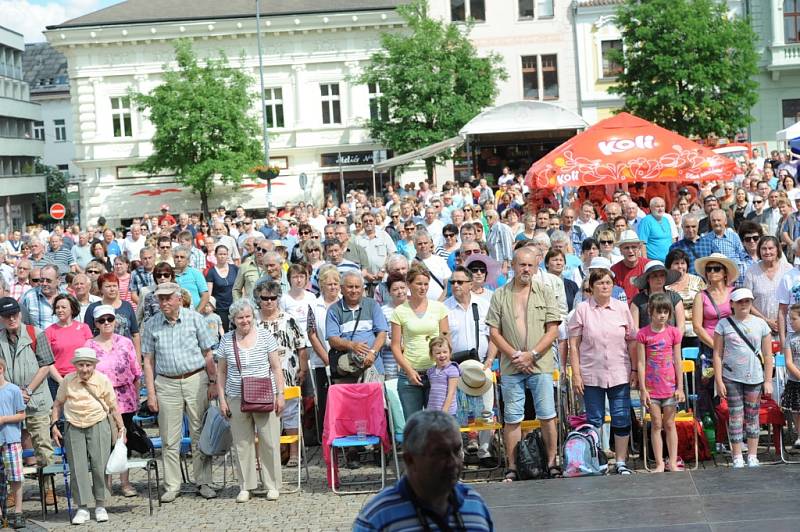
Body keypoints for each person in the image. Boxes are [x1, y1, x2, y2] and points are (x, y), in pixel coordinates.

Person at [486, 247, 560, 481]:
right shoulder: (500, 294)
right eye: (521, 265)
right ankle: (513, 467)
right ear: (514, 266)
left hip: (541, 364)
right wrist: (516, 356)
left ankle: (552, 463)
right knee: (512, 417)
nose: (526, 269)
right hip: (511, 366)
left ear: (536, 267)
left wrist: (533, 354)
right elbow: (494, 332)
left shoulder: (546, 292)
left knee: (547, 415)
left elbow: (553, 330)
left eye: (530, 265)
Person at [353, 410, 494, 532]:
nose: (453, 462)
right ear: (410, 460)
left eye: (457, 451)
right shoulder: (378, 517)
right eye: (440, 453)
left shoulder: (474, 504)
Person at [141, 282, 218, 502]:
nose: (163, 302)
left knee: (198, 433)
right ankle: (172, 485)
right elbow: (147, 361)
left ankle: (203, 481)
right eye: (160, 298)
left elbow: (208, 353)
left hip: (195, 378)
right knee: (169, 437)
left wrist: (212, 381)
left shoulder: (195, 318)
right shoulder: (152, 324)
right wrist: (152, 393)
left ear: (178, 298)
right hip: (166, 383)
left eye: (167, 298)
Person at [216, 298, 285, 503]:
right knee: (242, 442)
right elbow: (220, 372)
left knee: (269, 441)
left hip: (264, 394)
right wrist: (222, 399)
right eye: (240, 317)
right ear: (233, 319)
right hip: (236, 395)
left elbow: (276, 367)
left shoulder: (265, 336)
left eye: (247, 316)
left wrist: (280, 394)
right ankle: (246, 486)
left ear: (252, 317)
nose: (245, 320)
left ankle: (272, 484)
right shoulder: (227, 340)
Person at [568, 268, 636, 475]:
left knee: (621, 416)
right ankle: (597, 459)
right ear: (592, 286)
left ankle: (621, 461)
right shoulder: (582, 309)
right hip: (591, 372)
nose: (604, 286)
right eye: (600, 283)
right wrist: (576, 374)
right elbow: (573, 344)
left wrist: (634, 368)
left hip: (619, 371)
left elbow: (632, 340)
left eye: (608, 283)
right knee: (594, 419)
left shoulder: (622, 308)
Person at [51, 347, 126, 525]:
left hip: (98, 423)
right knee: (78, 468)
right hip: (73, 424)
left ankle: (100, 505)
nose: (85, 369)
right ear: (75, 365)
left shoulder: (102, 380)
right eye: (81, 365)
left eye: (88, 365)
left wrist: (122, 428)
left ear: (94, 365)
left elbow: (113, 406)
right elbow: (57, 404)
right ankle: (82, 507)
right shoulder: (68, 380)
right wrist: (54, 424)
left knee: (100, 465)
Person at [84, 304, 141, 497]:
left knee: (123, 440)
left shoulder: (125, 342)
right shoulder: (89, 346)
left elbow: (136, 371)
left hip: (125, 398)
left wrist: (137, 396)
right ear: (96, 323)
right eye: (102, 320)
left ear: (115, 321)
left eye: (110, 319)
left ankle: (125, 483)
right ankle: (104, 485)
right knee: (103, 443)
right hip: (100, 400)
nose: (106, 323)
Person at [713, 288, 774, 468]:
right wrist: (718, 380)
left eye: (747, 301)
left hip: (754, 376)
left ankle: (753, 455)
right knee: (736, 415)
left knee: (753, 416)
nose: (744, 304)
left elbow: (768, 354)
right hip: (731, 375)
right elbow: (717, 354)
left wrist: (768, 380)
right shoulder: (723, 324)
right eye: (740, 301)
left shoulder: (761, 324)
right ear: (732, 304)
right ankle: (737, 455)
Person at [254, 280, 309, 468]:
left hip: (288, 373)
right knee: (259, 416)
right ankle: (261, 456)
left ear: (278, 299)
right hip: (259, 376)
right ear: (258, 299)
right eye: (264, 298)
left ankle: (294, 453)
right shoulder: (252, 321)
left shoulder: (289, 319)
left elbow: (302, 346)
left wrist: (303, 369)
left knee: (290, 413)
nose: (269, 302)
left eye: (273, 298)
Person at [390, 264, 449, 419]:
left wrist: (444, 367)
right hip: (410, 374)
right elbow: (395, 346)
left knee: (436, 422)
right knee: (414, 423)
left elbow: (446, 340)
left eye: (426, 284)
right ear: (409, 284)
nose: (423, 288)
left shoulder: (439, 308)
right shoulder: (399, 311)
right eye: (419, 284)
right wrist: (409, 371)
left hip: (435, 372)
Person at [636, 293, 684, 473]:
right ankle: (659, 463)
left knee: (670, 424)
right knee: (656, 424)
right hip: (651, 388)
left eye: (665, 312)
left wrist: (680, 387)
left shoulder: (673, 332)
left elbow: (677, 360)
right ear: (650, 312)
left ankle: (672, 461)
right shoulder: (643, 334)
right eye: (659, 312)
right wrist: (642, 389)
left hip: (670, 387)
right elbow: (640, 362)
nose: (662, 315)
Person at [693, 253, 737, 416]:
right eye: (708, 269)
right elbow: (697, 327)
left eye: (716, 268)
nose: (712, 272)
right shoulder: (701, 296)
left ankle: (735, 435)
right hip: (709, 350)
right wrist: (716, 346)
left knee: (734, 390)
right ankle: (713, 438)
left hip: (734, 346)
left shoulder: (735, 293)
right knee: (709, 393)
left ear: (725, 272)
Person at [45, 294, 93, 396]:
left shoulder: (84, 328)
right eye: (57, 307)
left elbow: (91, 355)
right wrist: (60, 380)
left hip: (83, 378)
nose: (59, 310)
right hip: (58, 381)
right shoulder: (49, 331)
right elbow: (47, 361)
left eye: (63, 307)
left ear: (72, 309)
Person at [744, 236, 791, 340]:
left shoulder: (788, 269)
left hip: (786, 327)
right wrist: (766, 320)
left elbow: (793, 298)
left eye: (770, 248)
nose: (767, 252)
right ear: (759, 250)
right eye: (764, 248)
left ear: (777, 249)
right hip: (759, 327)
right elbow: (747, 301)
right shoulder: (751, 272)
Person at [0, 357, 27, 529]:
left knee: (16, 477)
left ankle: (18, 512)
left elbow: (21, 414)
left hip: (11, 439)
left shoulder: (13, 389)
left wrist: (3, 419)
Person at [665, 249, 706, 348]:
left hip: (696, 332)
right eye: (676, 263)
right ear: (669, 266)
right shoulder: (665, 285)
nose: (680, 266)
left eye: (683, 263)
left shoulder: (697, 281)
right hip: (674, 332)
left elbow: (706, 302)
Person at [629, 260, 684, 330]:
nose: (659, 279)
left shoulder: (675, 297)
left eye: (662, 275)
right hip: (645, 339)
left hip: (671, 339)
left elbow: (681, 326)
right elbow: (634, 328)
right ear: (648, 279)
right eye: (655, 276)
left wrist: (675, 340)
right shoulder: (638, 300)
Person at [20, 264, 64, 329]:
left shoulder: (66, 296)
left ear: (58, 280)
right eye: (42, 280)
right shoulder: (29, 296)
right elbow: (21, 322)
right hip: (38, 338)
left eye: (48, 280)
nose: (44, 283)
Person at [205, 245, 238, 331]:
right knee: (224, 332)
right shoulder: (211, 272)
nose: (222, 256)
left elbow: (240, 287)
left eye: (224, 254)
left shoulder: (234, 268)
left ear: (227, 255)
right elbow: (209, 293)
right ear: (215, 255)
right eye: (220, 254)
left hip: (235, 306)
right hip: (220, 308)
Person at [781, 303, 800, 448]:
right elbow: (788, 362)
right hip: (795, 380)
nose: (790, 322)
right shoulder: (790, 337)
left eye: (793, 319)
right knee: (796, 410)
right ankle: (799, 434)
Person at [611, 230, 650, 301]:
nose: (630, 251)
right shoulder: (614, 270)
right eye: (626, 248)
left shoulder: (648, 266)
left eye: (634, 247)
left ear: (639, 248)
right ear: (620, 250)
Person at [426, 336, 460, 415]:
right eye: (438, 353)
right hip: (432, 411)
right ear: (432, 355)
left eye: (445, 352)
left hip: (448, 413)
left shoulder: (452, 369)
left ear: (450, 352)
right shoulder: (431, 371)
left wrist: (444, 411)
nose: (442, 355)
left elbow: (451, 393)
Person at [637, 197, 674, 262]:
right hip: (653, 262)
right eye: (657, 206)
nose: (660, 209)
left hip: (668, 261)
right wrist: (645, 262)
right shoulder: (646, 221)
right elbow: (642, 244)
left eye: (662, 206)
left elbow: (671, 240)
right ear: (651, 208)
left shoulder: (666, 220)